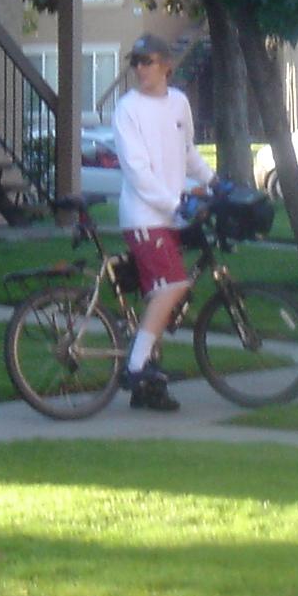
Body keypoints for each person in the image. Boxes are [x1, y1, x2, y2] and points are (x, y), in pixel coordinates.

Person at [110, 33, 211, 412]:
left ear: (167, 65)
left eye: (146, 61)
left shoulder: (179, 104)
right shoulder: (128, 109)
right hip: (144, 217)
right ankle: (135, 368)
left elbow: (188, 156)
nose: (139, 68)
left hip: (170, 215)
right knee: (173, 286)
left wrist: (214, 181)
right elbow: (138, 173)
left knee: (162, 299)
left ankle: (149, 388)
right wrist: (175, 205)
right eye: (135, 62)